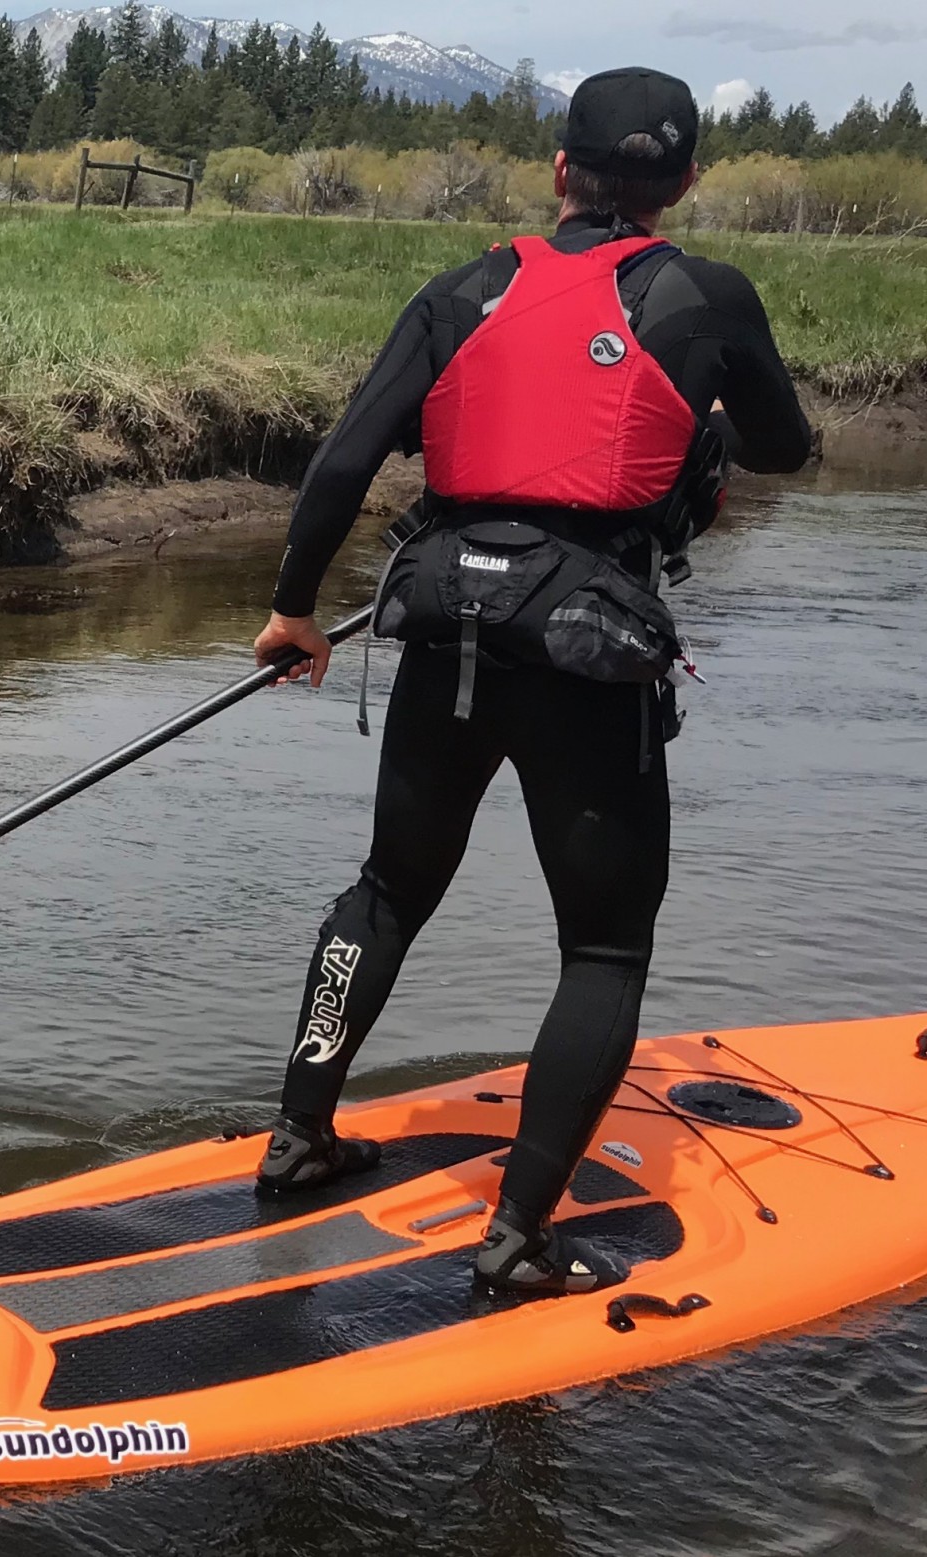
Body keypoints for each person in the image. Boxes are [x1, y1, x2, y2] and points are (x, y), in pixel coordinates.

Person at [250, 67, 813, 1294]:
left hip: (446, 623)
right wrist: (705, 420)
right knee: (603, 951)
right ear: (684, 184)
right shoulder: (705, 296)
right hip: (586, 651)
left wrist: (293, 608)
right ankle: (514, 1240)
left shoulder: (463, 288)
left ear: (558, 170)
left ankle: (298, 1137)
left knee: (388, 890)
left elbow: (342, 461)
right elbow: (784, 448)